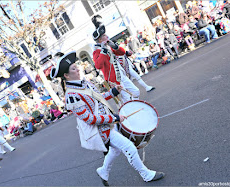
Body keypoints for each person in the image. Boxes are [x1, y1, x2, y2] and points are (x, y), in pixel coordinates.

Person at [50, 51, 165, 186]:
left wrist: (114, 92)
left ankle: (103, 171)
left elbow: (100, 97)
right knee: (129, 147)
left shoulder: (84, 83)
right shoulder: (71, 96)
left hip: (108, 122)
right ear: (66, 75)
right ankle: (146, 175)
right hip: (100, 130)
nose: (78, 69)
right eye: (74, 68)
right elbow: (89, 119)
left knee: (115, 150)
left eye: (76, 66)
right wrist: (114, 117)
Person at [91, 15, 154, 103]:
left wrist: (114, 46)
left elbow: (122, 52)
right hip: (113, 80)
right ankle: (130, 113)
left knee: (136, 92)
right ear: (101, 39)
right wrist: (103, 51)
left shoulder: (108, 46)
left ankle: (133, 109)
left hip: (122, 75)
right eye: (105, 35)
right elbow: (98, 65)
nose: (107, 36)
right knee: (126, 99)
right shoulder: (97, 51)